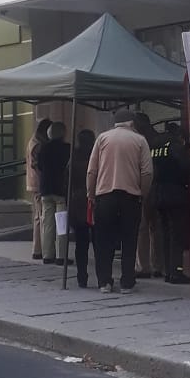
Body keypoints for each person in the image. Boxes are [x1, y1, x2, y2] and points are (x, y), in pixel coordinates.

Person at [86, 109, 153, 293]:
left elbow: (92, 170)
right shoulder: (140, 140)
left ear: (115, 123)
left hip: (105, 196)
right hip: (131, 197)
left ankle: (105, 282)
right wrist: (142, 194)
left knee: (104, 240)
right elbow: (147, 173)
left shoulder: (102, 138)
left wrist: (91, 194)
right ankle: (127, 282)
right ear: (132, 123)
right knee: (129, 240)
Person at [151, 123, 190, 284]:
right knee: (176, 234)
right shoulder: (175, 145)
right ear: (180, 136)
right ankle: (177, 271)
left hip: (157, 193)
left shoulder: (155, 144)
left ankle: (168, 271)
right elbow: (186, 166)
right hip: (174, 193)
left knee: (165, 233)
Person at [37, 121, 71, 266]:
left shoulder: (43, 148)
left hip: (45, 188)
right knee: (61, 223)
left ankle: (47, 254)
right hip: (60, 190)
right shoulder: (67, 149)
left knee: (47, 223)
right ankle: (61, 255)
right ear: (63, 133)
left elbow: (39, 166)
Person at [133, 111, 162, 278]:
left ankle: (143, 266)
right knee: (156, 227)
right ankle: (158, 265)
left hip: (142, 188)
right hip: (158, 187)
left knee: (142, 228)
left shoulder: (138, 142)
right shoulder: (158, 139)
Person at [69, 129, 96, 288]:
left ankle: (82, 276)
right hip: (94, 200)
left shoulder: (73, 158)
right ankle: (102, 277)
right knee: (99, 241)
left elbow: (66, 181)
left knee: (81, 243)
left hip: (77, 202)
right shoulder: (96, 156)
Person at [26, 118, 52, 260]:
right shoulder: (37, 144)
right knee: (42, 217)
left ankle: (38, 249)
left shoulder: (33, 141)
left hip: (33, 183)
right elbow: (36, 165)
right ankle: (41, 248)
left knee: (38, 217)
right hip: (38, 183)